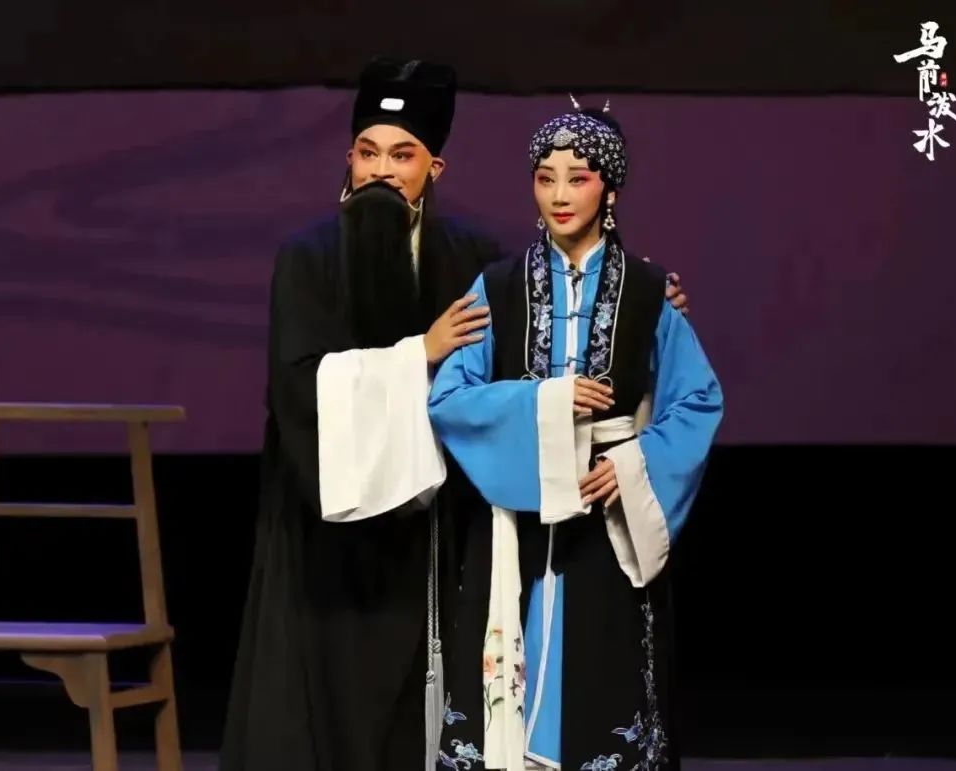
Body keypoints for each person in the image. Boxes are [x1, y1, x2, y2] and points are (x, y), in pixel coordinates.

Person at [219, 58, 693, 771]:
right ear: (348, 159)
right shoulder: (306, 258)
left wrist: (642, 306)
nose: (383, 172)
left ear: (433, 168)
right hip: (325, 527)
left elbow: (538, 339)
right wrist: (421, 352)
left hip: (433, 532)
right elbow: (296, 390)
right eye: (368, 153)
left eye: (402, 155)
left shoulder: (471, 258)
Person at [427, 102, 724, 770]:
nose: (560, 194)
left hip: (608, 514)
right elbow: (449, 397)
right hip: (518, 518)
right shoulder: (498, 287)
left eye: (579, 178)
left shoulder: (647, 292)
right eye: (546, 178)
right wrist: (543, 401)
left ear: (609, 189)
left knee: (604, 683)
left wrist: (636, 462)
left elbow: (698, 398)